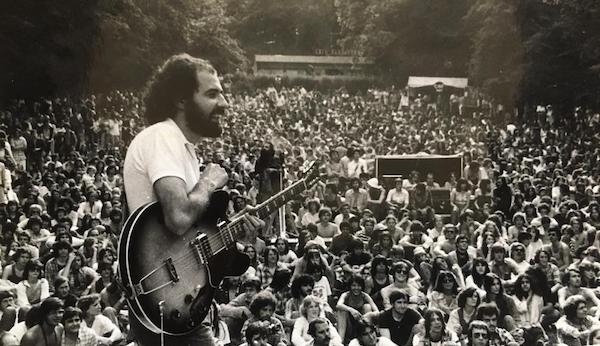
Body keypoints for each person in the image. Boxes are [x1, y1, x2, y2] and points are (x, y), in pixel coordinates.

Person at [122, 54, 265, 345]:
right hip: (164, 294)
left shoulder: (183, 148)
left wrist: (236, 234)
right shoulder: (163, 136)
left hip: (177, 293)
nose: (224, 104)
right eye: (212, 94)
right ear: (180, 99)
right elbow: (178, 218)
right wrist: (209, 181)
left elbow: (191, 238)